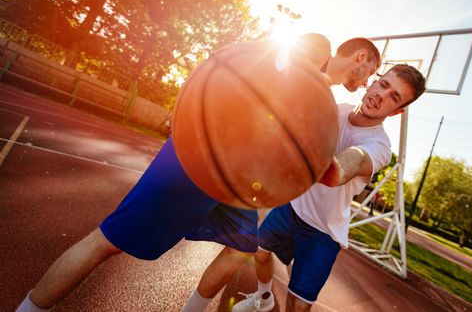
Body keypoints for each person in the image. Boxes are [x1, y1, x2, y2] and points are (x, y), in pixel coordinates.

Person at [16, 34, 380, 312]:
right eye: (370, 73)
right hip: (202, 157)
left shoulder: (321, 98)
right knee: (108, 243)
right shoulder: (316, 48)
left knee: (241, 247)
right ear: (361, 58)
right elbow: (238, 70)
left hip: (234, 176)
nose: (366, 83)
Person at [230, 64, 426, 312]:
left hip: (323, 232)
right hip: (293, 207)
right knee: (258, 251)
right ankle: (265, 297)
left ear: (397, 111)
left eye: (394, 97)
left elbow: (341, 170)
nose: (381, 95)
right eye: (384, 84)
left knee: (298, 304)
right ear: (375, 81)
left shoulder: (380, 146)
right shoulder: (338, 110)